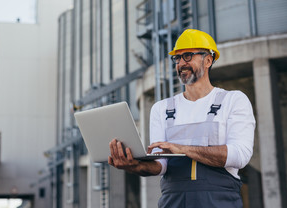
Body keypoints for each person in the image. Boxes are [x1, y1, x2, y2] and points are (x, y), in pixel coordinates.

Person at [108, 29, 255, 207]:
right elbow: (160, 164)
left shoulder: (232, 100)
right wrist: (135, 166)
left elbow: (239, 155)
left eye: (187, 56)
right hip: (173, 201)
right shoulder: (162, 109)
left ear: (208, 60)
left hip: (219, 201)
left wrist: (181, 148)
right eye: (177, 59)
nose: (180, 63)